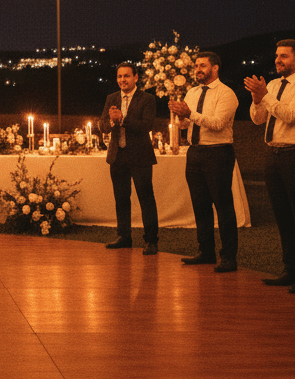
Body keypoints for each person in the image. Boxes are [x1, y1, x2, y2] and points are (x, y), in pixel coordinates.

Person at [247, 39, 295, 294]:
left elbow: (291, 116)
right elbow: (258, 120)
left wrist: (265, 97)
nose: (278, 60)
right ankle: (291, 270)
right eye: (277, 56)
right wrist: (258, 99)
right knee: (282, 215)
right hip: (274, 153)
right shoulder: (273, 85)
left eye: (284, 56)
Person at [170, 52, 239, 272]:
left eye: (202, 65)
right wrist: (181, 118)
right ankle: (205, 251)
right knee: (200, 205)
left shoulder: (226, 94)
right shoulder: (192, 92)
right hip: (195, 153)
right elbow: (187, 124)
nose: (198, 69)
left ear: (215, 68)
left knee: (223, 205)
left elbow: (218, 123)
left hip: (218, 153)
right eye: (196, 66)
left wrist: (190, 113)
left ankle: (228, 256)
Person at [101, 63, 159, 255]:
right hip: (117, 156)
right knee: (121, 199)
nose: (122, 80)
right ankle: (124, 237)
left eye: (126, 76)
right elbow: (102, 126)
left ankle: (151, 241)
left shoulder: (147, 99)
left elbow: (147, 125)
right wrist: (110, 121)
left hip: (140, 156)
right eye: (119, 76)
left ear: (136, 78)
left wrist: (122, 119)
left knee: (146, 198)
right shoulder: (111, 98)